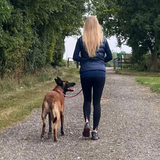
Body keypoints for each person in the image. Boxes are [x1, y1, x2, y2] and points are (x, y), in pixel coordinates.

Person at [73, 16, 112, 140]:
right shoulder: (103, 40)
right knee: (97, 102)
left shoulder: (81, 40)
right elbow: (109, 56)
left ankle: (87, 121)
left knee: (87, 100)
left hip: (86, 72)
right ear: (97, 26)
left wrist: (85, 60)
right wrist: (101, 62)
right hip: (100, 72)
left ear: (85, 26)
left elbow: (75, 57)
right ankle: (95, 131)